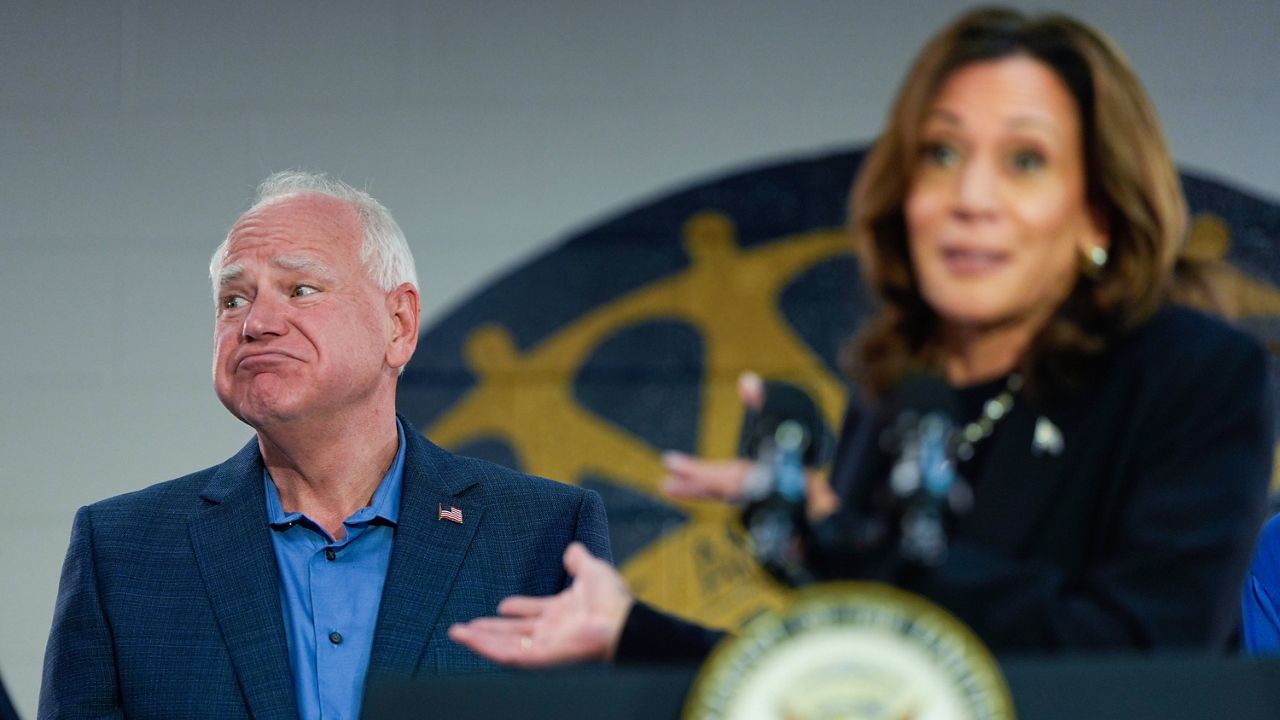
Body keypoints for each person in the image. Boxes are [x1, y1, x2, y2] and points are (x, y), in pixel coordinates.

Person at [448, 6, 1273, 665]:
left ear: (1097, 208)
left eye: (1025, 161)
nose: (970, 195)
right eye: (941, 153)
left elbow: (1144, 656)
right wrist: (633, 632)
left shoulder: (1195, 375)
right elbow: (866, 677)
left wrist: (848, 541)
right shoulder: (903, 390)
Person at [39, 171, 611, 719]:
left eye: (300, 289)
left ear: (399, 324)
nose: (256, 322)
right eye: (233, 299)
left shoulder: (543, 534)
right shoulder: (120, 552)